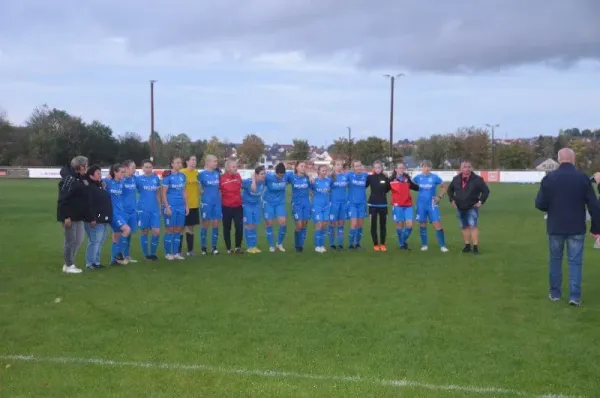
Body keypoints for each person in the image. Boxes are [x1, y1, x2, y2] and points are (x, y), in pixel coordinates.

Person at [535, 148, 600, 307]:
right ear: (573, 160)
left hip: (555, 226)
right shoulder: (583, 178)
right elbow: (594, 205)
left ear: (558, 160)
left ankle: (555, 294)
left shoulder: (550, 178)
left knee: (555, 260)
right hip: (576, 226)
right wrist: (596, 229)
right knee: (575, 262)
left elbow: (540, 204)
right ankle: (574, 296)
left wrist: (552, 206)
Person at [57, 155, 93, 274]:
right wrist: (66, 216)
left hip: (79, 216)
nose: (87, 168)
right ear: (81, 166)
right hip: (70, 217)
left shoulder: (81, 178)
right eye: (86, 165)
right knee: (70, 240)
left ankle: (69, 262)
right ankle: (69, 264)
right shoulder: (70, 179)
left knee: (79, 240)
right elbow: (63, 199)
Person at [447, 161, 490, 254]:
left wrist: (480, 201)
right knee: (464, 226)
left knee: (472, 226)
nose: (467, 169)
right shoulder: (456, 179)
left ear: (471, 168)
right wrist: (452, 200)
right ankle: (467, 246)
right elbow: (450, 190)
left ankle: (475, 247)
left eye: (469, 167)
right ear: (461, 169)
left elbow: (486, 191)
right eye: (464, 167)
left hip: (472, 206)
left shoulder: (477, 179)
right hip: (460, 207)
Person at [413, 160, 449, 252]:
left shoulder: (435, 177)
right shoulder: (417, 178)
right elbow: (408, 185)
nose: (426, 168)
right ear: (421, 167)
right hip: (421, 204)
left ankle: (442, 246)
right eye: (424, 166)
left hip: (432, 204)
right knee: (423, 224)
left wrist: (439, 196)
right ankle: (424, 245)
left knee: (437, 224)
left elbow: (444, 186)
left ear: (431, 168)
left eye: (428, 167)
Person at [84, 165, 112, 270]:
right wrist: (92, 218)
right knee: (95, 241)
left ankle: (96, 261)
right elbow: (89, 204)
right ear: (91, 175)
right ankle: (90, 263)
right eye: (98, 173)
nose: (100, 175)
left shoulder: (99, 185)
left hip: (103, 218)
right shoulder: (89, 188)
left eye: (100, 173)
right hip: (95, 219)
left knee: (100, 241)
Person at [104, 164, 132, 265]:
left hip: (120, 212)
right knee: (127, 230)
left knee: (117, 235)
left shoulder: (122, 182)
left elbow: (131, 176)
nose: (123, 174)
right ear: (115, 172)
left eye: (124, 172)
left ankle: (113, 260)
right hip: (113, 212)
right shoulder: (107, 182)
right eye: (122, 172)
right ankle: (118, 255)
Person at [162, 156, 189, 260]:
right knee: (169, 229)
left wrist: (186, 206)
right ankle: (168, 253)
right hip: (171, 206)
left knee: (179, 229)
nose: (179, 164)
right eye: (177, 163)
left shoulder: (183, 176)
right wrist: (167, 207)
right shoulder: (167, 177)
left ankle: (176, 252)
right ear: (172, 164)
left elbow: (184, 191)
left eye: (180, 162)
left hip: (181, 206)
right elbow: (163, 193)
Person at [136, 159, 162, 260]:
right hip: (142, 209)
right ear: (142, 168)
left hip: (154, 209)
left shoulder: (156, 179)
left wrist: (160, 207)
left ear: (152, 168)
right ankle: (146, 255)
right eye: (146, 167)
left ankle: (153, 253)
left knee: (156, 231)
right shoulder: (138, 179)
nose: (148, 169)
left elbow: (158, 194)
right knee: (144, 231)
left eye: (150, 167)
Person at [390, 162, 419, 250]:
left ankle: (402, 242)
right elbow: (383, 189)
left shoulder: (407, 179)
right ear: (395, 169)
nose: (401, 169)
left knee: (409, 225)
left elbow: (416, 187)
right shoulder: (391, 180)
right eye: (399, 168)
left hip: (408, 205)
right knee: (399, 225)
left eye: (403, 168)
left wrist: (423, 185)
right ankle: (402, 245)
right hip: (397, 205)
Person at [198, 155, 222, 255]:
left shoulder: (217, 173)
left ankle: (213, 247)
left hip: (216, 202)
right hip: (206, 202)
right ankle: (203, 247)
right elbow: (197, 187)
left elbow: (220, 188)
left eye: (216, 161)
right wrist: (200, 190)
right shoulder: (201, 174)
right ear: (207, 162)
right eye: (214, 161)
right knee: (205, 223)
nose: (216, 163)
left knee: (216, 223)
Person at [263, 162, 289, 252]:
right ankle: (271, 245)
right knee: (269, 223)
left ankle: (279, 244)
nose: (281, 177)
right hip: (268, 203)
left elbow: (299, 173)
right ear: (276, 173)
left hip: (280, 203)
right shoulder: (268, 177)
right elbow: (256, 175)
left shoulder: (286, 176)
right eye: (279, 175)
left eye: (282, 175)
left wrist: (310, 175)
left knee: (283, 223)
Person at [366, 160, 391, 251]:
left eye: (379, 167)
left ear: (382, 168)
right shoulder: (370, 178)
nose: (377, 169)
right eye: (375, 167)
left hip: (383, 205)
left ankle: (383, 244)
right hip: (372, 205)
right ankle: (376, 244)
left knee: (383, 225)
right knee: (373, 225)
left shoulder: (385, 177)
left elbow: (388, 189)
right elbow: (364, 186)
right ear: (373, 168)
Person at [220, 159, 244, 254]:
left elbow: (242, 186)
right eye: (233, 167)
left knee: (239, 227)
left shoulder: (238, 176)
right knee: (227, 227)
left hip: (238, 206)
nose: (236, 168)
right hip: (226, 207)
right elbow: (217, 190)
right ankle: (229, 248)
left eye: (236, 166)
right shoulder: (221, 178)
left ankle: (238, 247)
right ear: (228, 168)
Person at [286, 161, 311, 252]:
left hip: (306, 203)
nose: (303, 168)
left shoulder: (307, 178)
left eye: (304, 166)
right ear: (296, 167)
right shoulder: (291, 176)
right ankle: (297, 245)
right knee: (299, 225)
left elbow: (313, 188)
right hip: (296, 204)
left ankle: (300, 245)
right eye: (301, 166)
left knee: (304, 224)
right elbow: (282, 181)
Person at [242, 166, 266, 253]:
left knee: (254, 225)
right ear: (256, 175)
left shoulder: (264, 182)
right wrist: (253, 180)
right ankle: (249, 247)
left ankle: (254, 246)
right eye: (261, 174)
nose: (263, 175)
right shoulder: (248, 182)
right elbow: (238, 186)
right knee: (249, 224)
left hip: (256, 205)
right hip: (247, 205)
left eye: (264, 173)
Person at [310, 165, 332, 253]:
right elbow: (309, 190)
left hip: (326, 206)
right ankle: (317, 246)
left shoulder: (329, 181)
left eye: (325, 171)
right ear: (318, 171)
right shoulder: (314, 181)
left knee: (324, 225)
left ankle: (322, 245)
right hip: (317, 206)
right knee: (319, 225)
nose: (324, 172)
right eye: (323, 170)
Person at [347, 160, 369, 249]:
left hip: (362, 203)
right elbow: (337, 175)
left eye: (360, 165)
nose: (358, 167)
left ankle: (358, 243)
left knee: (360, 225)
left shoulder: (365, 175)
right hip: (352, 204)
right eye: (356, 166)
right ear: (353, 167)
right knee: (354, 224)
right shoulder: (349, 175)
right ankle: (351, 244)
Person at [181, 155, 200, 255]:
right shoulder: (182, 173)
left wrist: (201, 190)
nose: (194, 162)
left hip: (194, 204)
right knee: (180, 227)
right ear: (187, 162)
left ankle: (190, 250)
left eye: (195, 160)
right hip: (184, 204)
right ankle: (178, 251)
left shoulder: (197, 173)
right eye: (192, 160)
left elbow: (199, 185)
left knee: (191, 227)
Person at [120, 160, 138, 263]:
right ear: (126, 168)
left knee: (129, 233)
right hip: (123, 211)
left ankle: (127, 256)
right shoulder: (121, 180)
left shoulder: (134, 179)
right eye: (133, 168)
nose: (135, 170)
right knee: (123, 233)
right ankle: (120, 256)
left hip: (132, 211)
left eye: (135, 168)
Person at [329, 160, 349, 250]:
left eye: (341, 165)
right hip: (333, 203)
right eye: (337, 165)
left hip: (343, 203)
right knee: (332, 223)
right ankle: (332, 244)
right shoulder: (330, 177)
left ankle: (340, 244)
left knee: (341, 223)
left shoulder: (345, 176)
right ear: (333, 166)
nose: (339, 166)